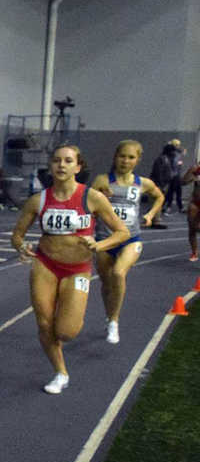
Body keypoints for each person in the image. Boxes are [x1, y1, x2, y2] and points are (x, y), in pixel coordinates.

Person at [11, 144, 128, 394]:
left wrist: (99, 244)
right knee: (44, 324)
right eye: (56, 160)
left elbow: (122, 232)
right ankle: (60, 372)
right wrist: (22, 247)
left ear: (78, 166)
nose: (61, 165)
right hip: (45, 264)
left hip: (78, 268)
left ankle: (70, 335)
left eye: (67, 161)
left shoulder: (92, 197)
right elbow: (17, 235)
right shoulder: (38, 200)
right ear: (51, 166)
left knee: (66, 331)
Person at [89, 140, 164, 344]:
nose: (126, 161)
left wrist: (150, 215)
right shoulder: (103, 180)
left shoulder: (143, 183)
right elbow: (86, 205)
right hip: (105, 239)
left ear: (138, 160)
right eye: (122, 156)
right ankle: (109, 316)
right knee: (106, 284)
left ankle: (114, 321)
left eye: (131, 157)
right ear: (115, 157)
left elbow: (159, 197)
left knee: (118, 273)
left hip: (131, 239)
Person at [184, 160, 200, 261]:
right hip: (196, 203)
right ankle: (194, 252)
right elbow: (183, 181)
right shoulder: (196, 169)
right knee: (192, 228)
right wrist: (193, 175)